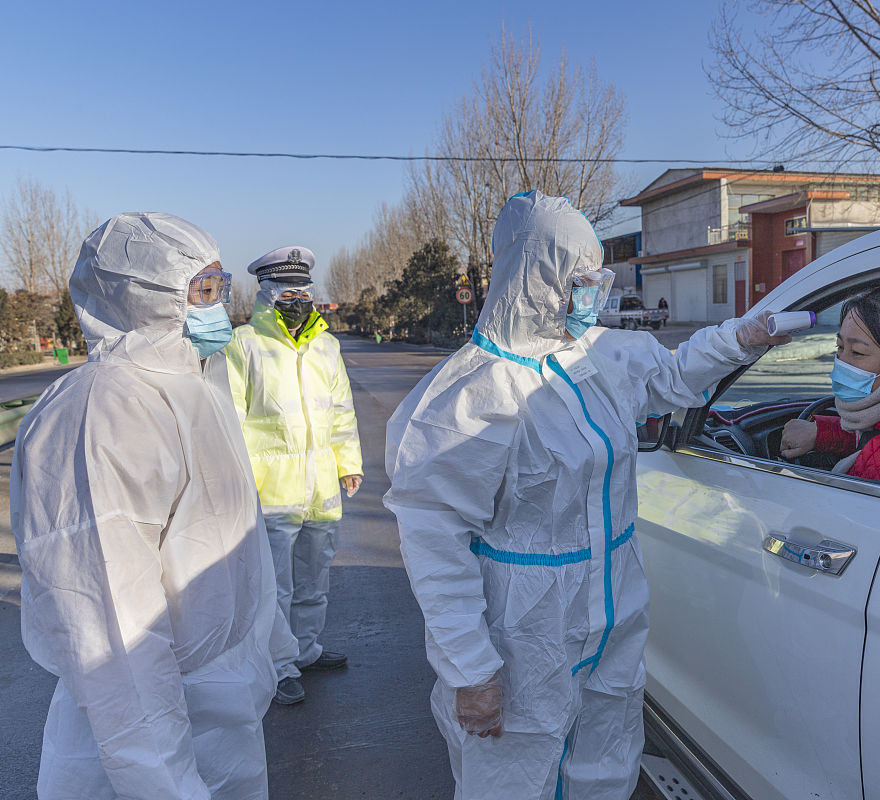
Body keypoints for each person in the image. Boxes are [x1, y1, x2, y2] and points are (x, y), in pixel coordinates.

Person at [383, 191, 788, 800]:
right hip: (523, 632)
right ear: (535, 279)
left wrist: (740, 337)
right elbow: (434, 538)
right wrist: (470, 668)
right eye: (579, 281)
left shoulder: (598, 354)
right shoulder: (471, 396)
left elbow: (672, 378)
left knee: (607, 763)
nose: (591, 294)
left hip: (613, 612)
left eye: (596, 278)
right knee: (512, 775)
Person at [11, 213, 285, 799]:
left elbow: (236, 543)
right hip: (140, 748)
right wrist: (167, 784)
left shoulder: (194, 385)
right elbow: (111, 631)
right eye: (200, 291)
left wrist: (271, 647)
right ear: (143, 301)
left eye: (219, 287)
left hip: (222, 710)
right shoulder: (102, 411)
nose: (215, 307)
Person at [226, 246, 363, 706]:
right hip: (271, 489)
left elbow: (340, 409)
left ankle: (306, 651)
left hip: (321, 485)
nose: (298, 299)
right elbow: (231, 417)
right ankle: (278, 665)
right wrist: (236, 480)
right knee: (276, 586)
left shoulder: (327, 345)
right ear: (266, 293)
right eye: (288, 291)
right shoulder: (244, 344)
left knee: (314, 577)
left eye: (304, 291)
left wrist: (349, 462)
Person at [779, 283, 880, 479]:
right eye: (839, 347)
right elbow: (874, 438)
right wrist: (822, 434)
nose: (842, 363)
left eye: (857, 352)